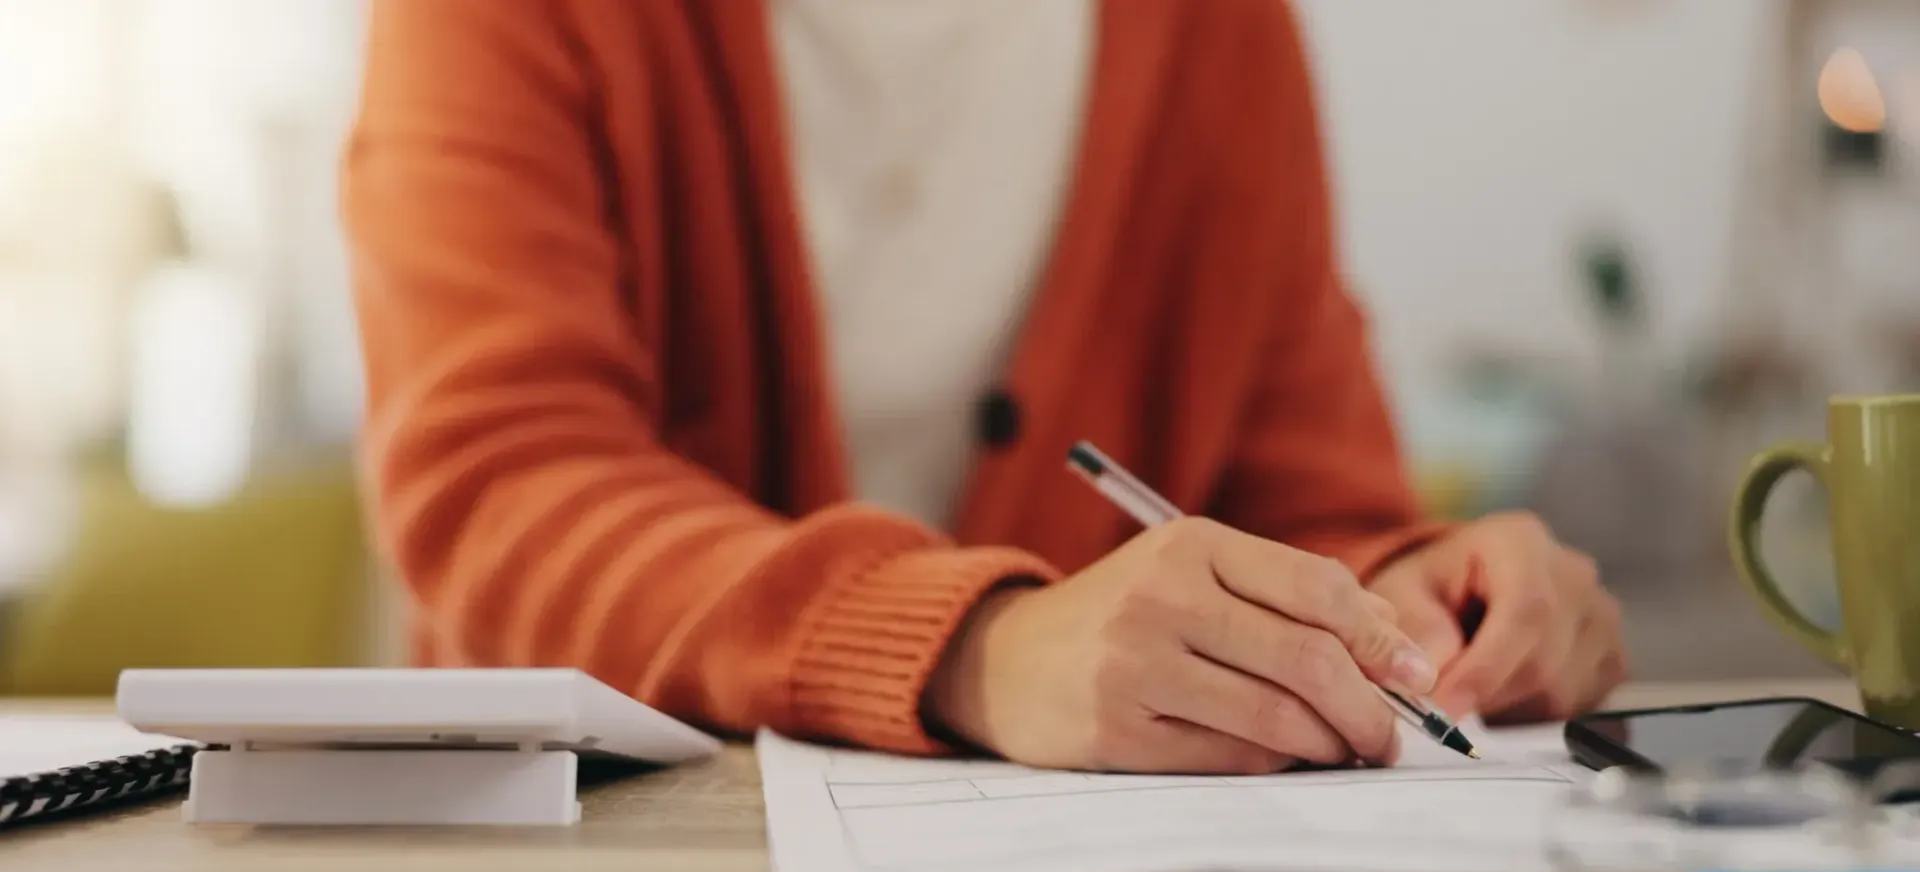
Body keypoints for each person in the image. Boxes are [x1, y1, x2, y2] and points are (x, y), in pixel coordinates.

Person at [343, 0, 1626, 774]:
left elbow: (1305, 499)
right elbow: (499, 485)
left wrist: (1410, 602)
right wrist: (976, 647)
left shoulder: (1211, 32)